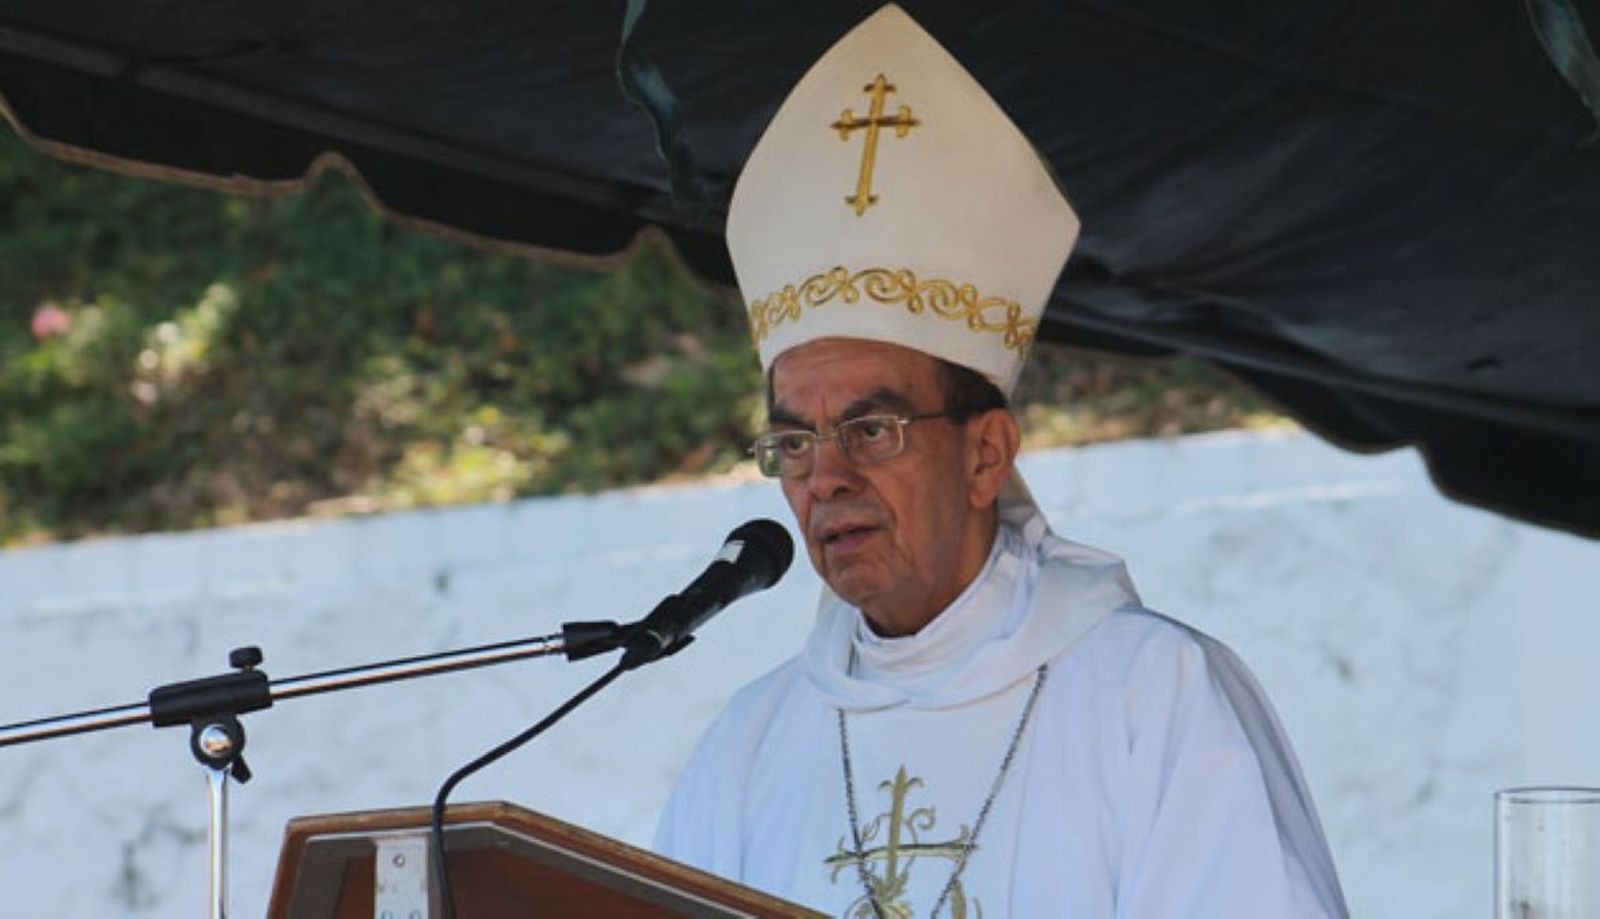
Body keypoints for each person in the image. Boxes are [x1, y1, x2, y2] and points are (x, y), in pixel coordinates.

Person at [654, 5, 1348, 916]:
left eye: (872, 429)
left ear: (986, 454)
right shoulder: (747, 746)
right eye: (793, 442)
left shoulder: (1152, 696)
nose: (825, 478)